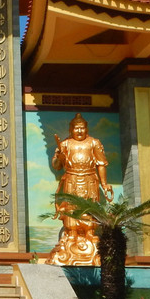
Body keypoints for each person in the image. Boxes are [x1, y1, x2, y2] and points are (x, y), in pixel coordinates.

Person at [46, 113, 113, 266]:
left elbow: (101, 164)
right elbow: (57, 166)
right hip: (71, 178)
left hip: (90, 178)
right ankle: (72, 234)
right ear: (71, 130)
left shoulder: (94, 143)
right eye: (76, 128)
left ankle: (90, 233)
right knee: (71, 208)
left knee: (91, 207)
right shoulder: (65, 144)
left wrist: (104, 183)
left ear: (86, 129)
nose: (80, 131)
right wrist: (60, 157)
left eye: (82, 128)